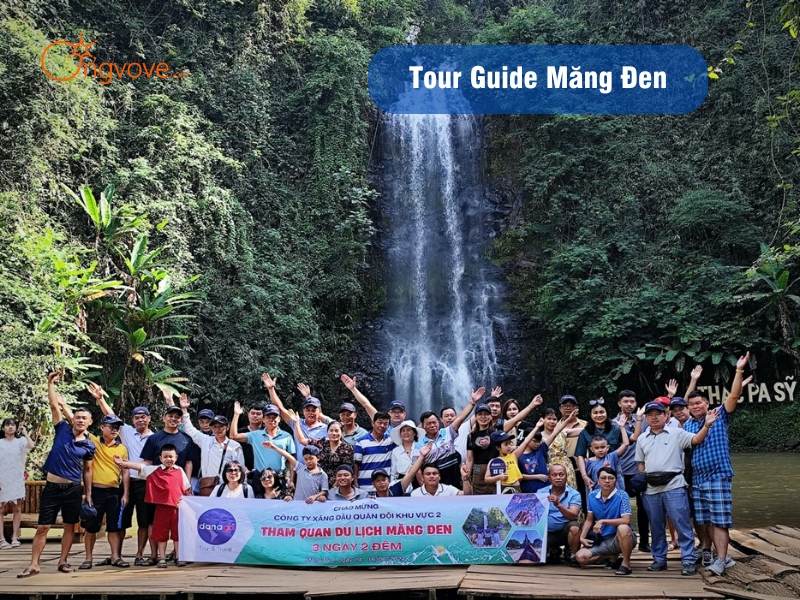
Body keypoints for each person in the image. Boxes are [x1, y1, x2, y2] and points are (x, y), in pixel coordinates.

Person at [18, 372, 96, 578]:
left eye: (84, 418)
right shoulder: (62, 429)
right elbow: (54, 406)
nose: (80, 420)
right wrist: (50, 383)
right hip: (52, 487)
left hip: (72, 488)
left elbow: (88, 470)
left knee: (70, 525)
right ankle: (34, 564)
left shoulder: (89, 445)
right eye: (77, 417)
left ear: (89, 422)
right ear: (73, 420)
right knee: (43, 526)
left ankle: (63, 561)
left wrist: (88, 494)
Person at [684, 353, 750, 575]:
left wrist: (739, 370)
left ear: (707, 403)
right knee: (707, 520)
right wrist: (692, 382)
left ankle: (721, 560)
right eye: (691, 404)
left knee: (720, 521)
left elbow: (733, 394)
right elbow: (684, 402)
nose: (694, 406)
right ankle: (723, 556)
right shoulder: (689, 426)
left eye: (698, 402)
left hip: (718, 475)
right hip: (698, 479)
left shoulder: (719, 414)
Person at [635, 400, 718, 576]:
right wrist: (641, 484)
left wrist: (707, 425)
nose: (654, 417)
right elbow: (641, 465)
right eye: (650, 414)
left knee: (682, 524)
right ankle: (659, 559)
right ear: (646, 418)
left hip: (674, 485)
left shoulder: (677, 433)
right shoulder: (642, 438)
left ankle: (688, 560)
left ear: (666, 416)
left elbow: (695, 439)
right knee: (656, 526)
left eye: (658, 413)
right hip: (650, 489)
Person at [90, 385, 155, 566]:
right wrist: (100, 398)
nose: (140, 420)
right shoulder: (125, 431)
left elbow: (151, 463)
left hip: (144, 483)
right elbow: (111, 416)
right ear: (132, 420)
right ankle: (115, 556)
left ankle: (140, 554)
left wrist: (128, 464)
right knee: (119, 522)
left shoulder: (155, 438)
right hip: (125, 484)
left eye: (143, 417)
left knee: (143, 522)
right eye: (137, 417)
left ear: (149, 419)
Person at [115, 444, 191, 568]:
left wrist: (188, 503)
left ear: (176, 457)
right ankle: (161, 557)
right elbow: (141, 467)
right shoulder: (155, 470)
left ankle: (179, 556)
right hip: (161, 508)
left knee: (178, 534)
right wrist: (124, 463)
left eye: (171, 457)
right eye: (165, 457)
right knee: (161, 534)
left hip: (177, 508)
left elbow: (187, 488)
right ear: (160, 458)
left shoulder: (180, 471)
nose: (168, 459)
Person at [81, 413, 130, 570]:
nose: (115, 430)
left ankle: (115, 556)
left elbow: (125, 471)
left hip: (114, 492)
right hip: (96, 491)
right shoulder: (94, 442)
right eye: (111, 426)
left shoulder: (122, 448)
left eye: (117, 427)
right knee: (91, 527)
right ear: (102, 427)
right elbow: (78, 424)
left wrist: (126, 493)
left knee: (114, 527)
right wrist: (62, 406)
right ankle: (88, 558)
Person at [415, 388, 483, 488]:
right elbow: (417, 468)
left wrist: (472, 402)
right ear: (423, 426)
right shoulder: (419, 445)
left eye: (434, 422)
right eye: (429, 423)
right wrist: (423, 486)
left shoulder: (447, 432)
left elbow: (461, 417)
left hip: (454, 478)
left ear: (439, 422)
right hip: (434, 481)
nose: (432, 425)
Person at [575, 467, 636, 576]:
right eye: (603, 478)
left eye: (611, 478)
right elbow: (589, 519)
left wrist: (603, 521)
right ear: (598, 481)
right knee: (580, 558)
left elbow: (626, 520)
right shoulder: (592, 495)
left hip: (620, 538)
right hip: (602, 539)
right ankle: (609, 556)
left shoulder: (622, 495)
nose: (607, 481)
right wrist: (582, 537)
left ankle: (626, 563)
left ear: (615, 481)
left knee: (623, 527)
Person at [178, 394, 242, 496]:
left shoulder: (235, 446)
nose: (218, 429)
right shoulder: (205, 440)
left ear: (227, 427)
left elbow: (240, 468)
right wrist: (184, 409)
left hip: (228, 487)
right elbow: (189, 428)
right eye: (215, 427)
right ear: (212, 428)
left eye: (221, 426)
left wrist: (241, 489)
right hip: (207, 486)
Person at [612, 389, 650, 552]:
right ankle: (619, 542)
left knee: (644, 508)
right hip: (620, 472)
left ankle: (644, 542)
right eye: (625, 401)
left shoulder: (644, 419)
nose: (629, 404)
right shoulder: (613, 423)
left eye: (632, 401)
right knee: (619, 507)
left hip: (640, 471)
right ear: (619, 403)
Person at [262, 374, 328, 459]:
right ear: (303, 411)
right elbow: (280, 409)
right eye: (308, 410)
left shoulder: (326, 428)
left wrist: (309, 397)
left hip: (319, 470)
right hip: (300, 469)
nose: (311, 413)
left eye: (314, 410)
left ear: (320, 411)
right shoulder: (296, 422)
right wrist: (271, 389)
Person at [518, 410, 578, 494]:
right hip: (528, 490)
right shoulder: (518, 455)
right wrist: (537, 476)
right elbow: (518, 476)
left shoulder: (541, 449)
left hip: (546, 490)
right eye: (534, 441)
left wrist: (568, 419)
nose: (537, 444)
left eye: (539, 441)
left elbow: (556, 432)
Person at [575, 400, 627, 492]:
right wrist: (584, 476)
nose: (599, 415)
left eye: (602, 412)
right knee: (595, 498)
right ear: (590, 415)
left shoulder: (615, 428)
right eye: (595, 413)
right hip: (594, 468)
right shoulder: (585, 432)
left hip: (614, 468)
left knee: (618, 498)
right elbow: (580, 456)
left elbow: (630, 440)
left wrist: (637, 419)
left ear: (607, 413)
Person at [291, 412, 354, 487]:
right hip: (320, 483)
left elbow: (347, 469)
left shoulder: (347, 448)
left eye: (337, 431)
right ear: (327, 432)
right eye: (331, 430)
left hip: (340, 485)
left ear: (342, 432)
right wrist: (297, 423)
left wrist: (335, 486)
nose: (334, 433)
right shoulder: (322, 443)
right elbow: (302, 440)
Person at [231, 401, 294, 476]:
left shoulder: (287, 436)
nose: (271, 420)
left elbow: (292, 460)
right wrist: (236, 414)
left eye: (274, 417)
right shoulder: (255, 435)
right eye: (268, 417)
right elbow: (233, 436)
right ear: (263, 419)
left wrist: (291, 480)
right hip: (259, 477)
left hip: (279, 477)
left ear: (279, 419)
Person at [0, 417, 34, 549]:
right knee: (1, 509)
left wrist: (25, 432)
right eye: (7, 425)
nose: (10, 427)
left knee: (17, 508)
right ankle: (2, 539)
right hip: (2, 478)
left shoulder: (20, 441)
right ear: (3, 428)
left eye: (13, 425)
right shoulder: (0, 443)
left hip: (16, 478)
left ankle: (15, 537)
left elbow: (31, 446)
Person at [542, 464, 582, 565]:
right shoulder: (541, 493)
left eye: (561, 474)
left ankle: (574, 555)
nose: (558, 478)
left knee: (574, 527)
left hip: (564, 532)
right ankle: (554, 550)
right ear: (549, 478)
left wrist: (558, 504)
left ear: (566, 476)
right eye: (554, 475)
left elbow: (573, 515)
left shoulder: (574, 494)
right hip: (547, 533)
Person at [264, 441, 328, 503]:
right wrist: (273, 447)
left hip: (313, 506)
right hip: (297, 506)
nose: (308, 461)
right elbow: (288, 456)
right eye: (306, 459)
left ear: (318, 458)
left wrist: (315, 497)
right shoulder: (300, 468)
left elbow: (324, 491)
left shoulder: (322, 475)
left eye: (311, 458)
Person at [353, 412, 396, 493]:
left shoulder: (390, 441)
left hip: (384, 489)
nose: (382, 426)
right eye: (379, 422)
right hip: (365, 487)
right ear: (373, 423)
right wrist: (355, 482)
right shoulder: (361, 442)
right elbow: (356, 464)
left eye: (386, 424)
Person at [541, 407, 581, 489]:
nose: (552, 421)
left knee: (569, 492)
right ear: (542, 420)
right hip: (550, 468)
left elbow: (583, 430)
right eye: (549, 418)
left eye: (554, 419)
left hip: (566, 467)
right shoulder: (539, 437)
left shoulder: (562, 433)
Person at [583, 423, 630, 493]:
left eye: (603, 447)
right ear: (592, 449)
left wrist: (622, 427)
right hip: (598, 493)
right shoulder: (589, 462)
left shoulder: (612, 456)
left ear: (607, 447)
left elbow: (625, 444)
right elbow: (589, 480)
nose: (600, 450)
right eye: (596, 448)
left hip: (614, 493)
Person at [466, 403, 497, 495]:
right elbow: (470, 459)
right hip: (478, 470)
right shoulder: (471, 436)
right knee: (478, 496)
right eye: (480, 414)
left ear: (491, 417)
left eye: (486, 414)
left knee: (496, 494)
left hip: (494, 468)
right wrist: (466, 476)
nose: (483, 417)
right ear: (475, 417)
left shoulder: (496, 433)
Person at [389, 419, 425, 492]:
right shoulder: (396, 451)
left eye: (408, 430)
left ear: (414, 433)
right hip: (402, 484)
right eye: (403, 430)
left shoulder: (421, 448)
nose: (406, 433)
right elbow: (393, 473)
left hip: (420, 482)